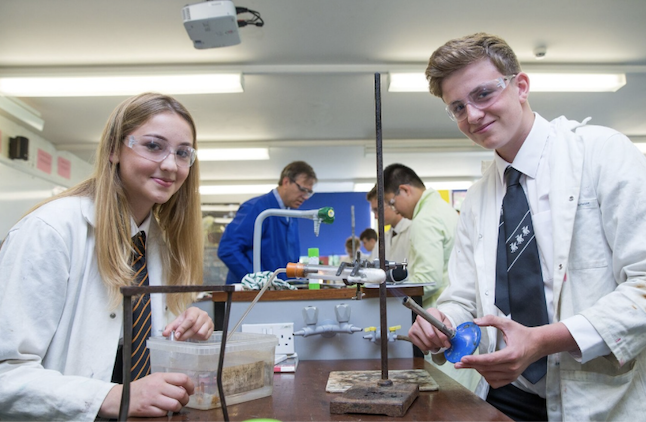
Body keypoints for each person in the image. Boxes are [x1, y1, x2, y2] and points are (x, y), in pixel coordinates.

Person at [408, 32, 646, 421]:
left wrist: (543, 341)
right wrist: (443, 321)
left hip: (598, 395)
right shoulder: (478, 198)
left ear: (520, 86)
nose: (473, 116)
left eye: (483, 94)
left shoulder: (602, 154)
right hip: (507, 396)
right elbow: (465, 299)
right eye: (458, 107)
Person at [0, 93, 215, 420]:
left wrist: (186, 334)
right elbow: (6, 375)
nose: (171, 165)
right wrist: (113, 396)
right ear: (114, 149)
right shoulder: (50, 230)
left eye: (183, 153)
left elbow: (134, 352)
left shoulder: (156, 243)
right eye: (153, 146)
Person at [218, 161, 317, 284]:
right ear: (286, 182)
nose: (305, 197)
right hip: (252, 293)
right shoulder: (257, 208)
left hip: (277, 292)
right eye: (302, 189)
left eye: (309, 192)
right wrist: (258, 281)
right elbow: (228, 249)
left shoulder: (291, 216)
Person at [383, 163, 458, 308]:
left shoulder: (424, 219)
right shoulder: (442, 208)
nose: (395, 210)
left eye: (392, 203)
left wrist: (392, 294)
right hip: (452, 305)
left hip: (437, 309)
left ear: (405, 190)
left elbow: (427, 281)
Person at [366, 184, 412, 264]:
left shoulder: (413, 230)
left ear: (392, 203)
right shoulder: (384, 238)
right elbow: (372, 264)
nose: (376, 217)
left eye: (377, 210)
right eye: (374, 212)